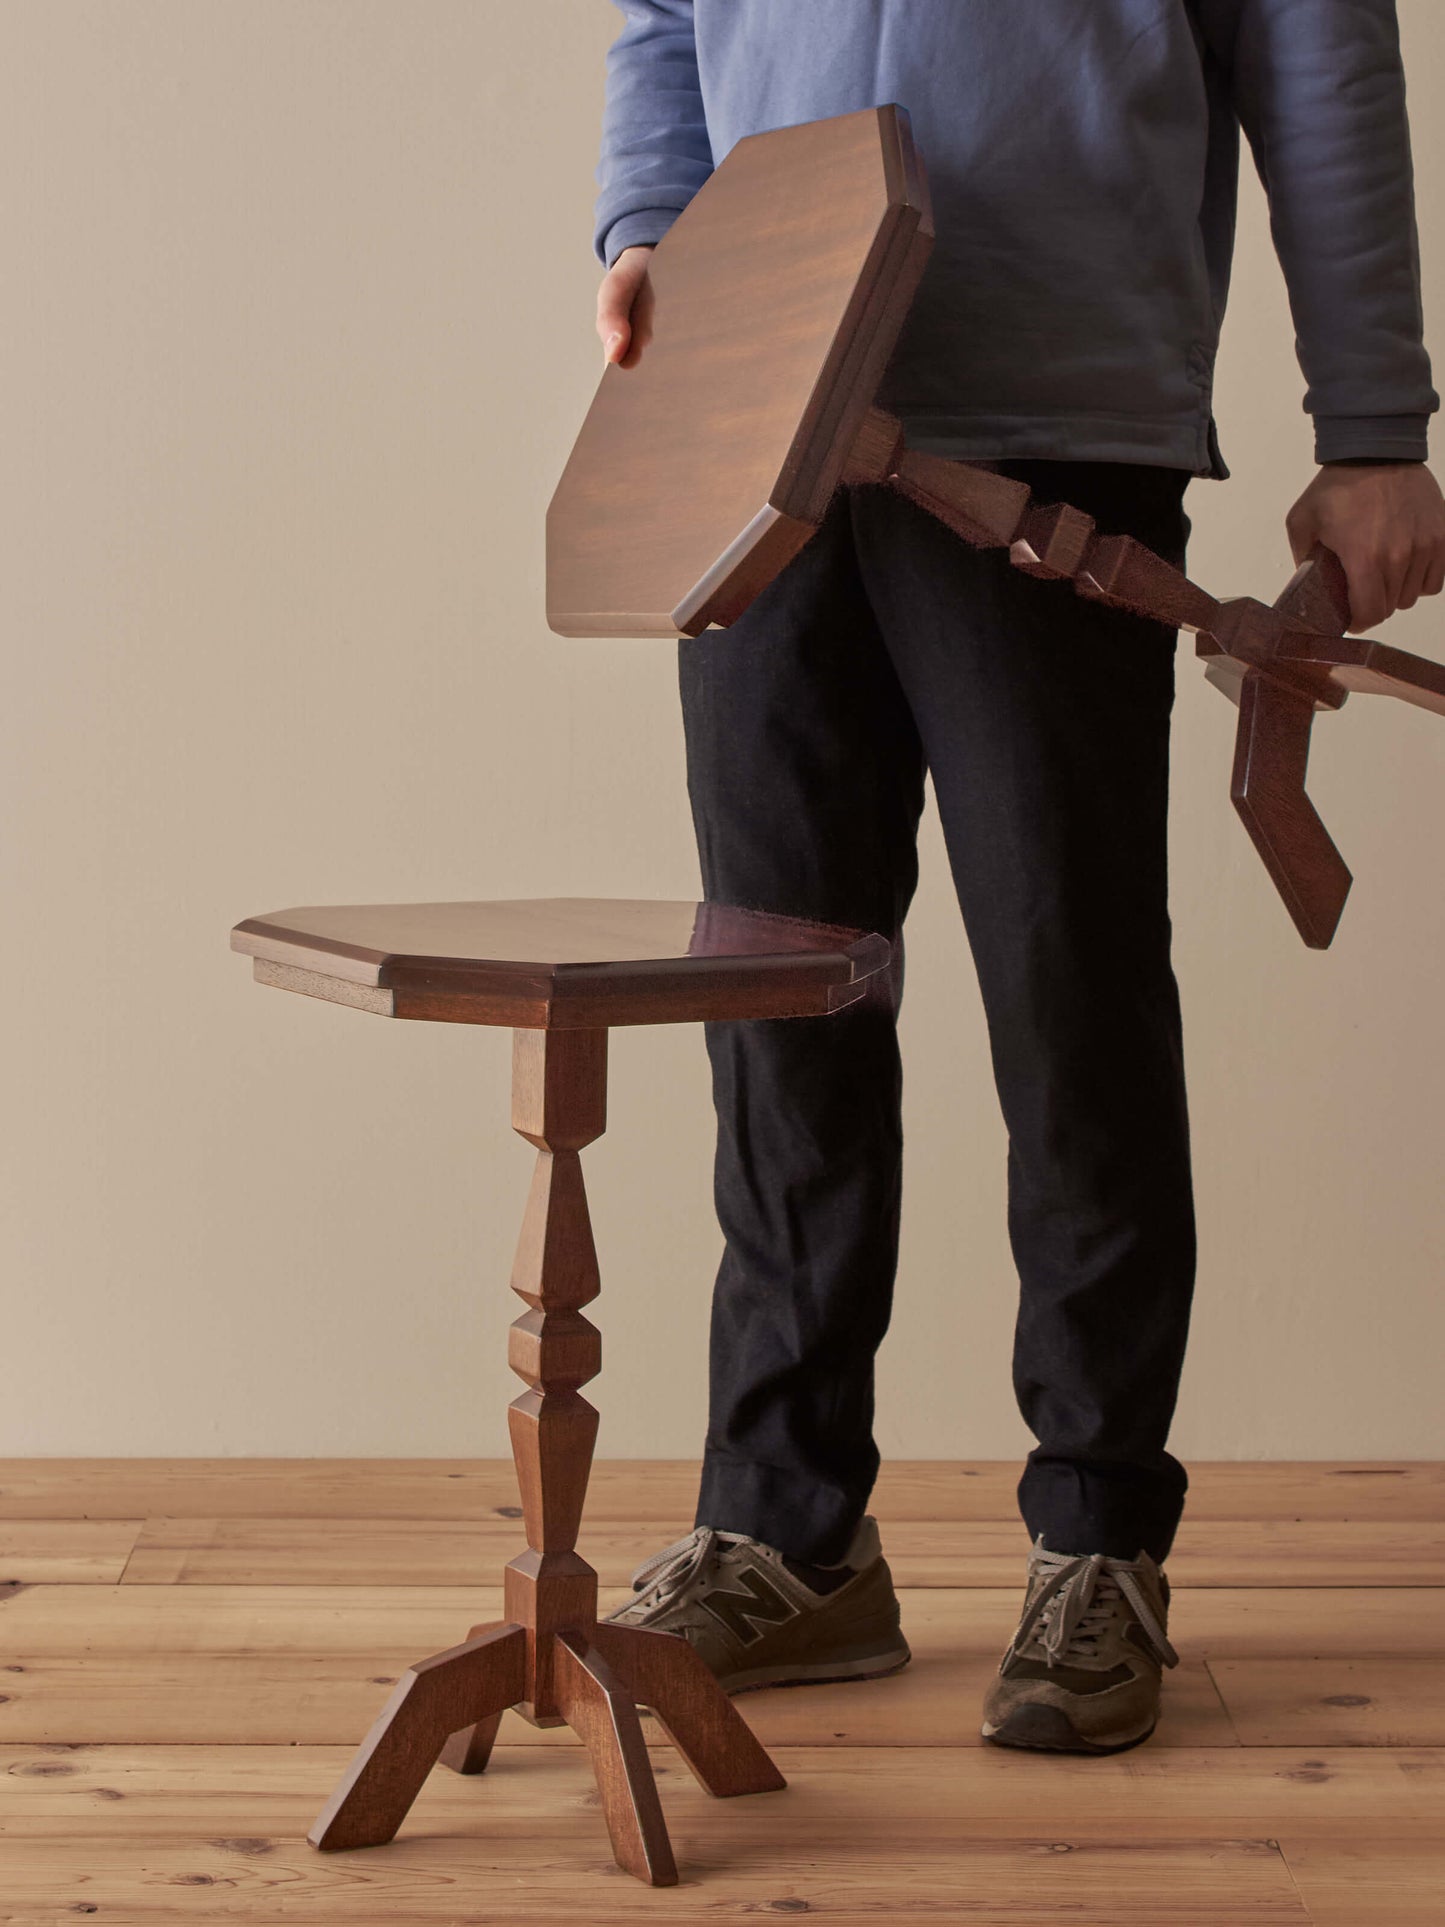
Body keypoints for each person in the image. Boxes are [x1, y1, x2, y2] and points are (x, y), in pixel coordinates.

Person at [588, 0, 1445, 1755]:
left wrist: (1371, 424)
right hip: (753, 414)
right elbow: (663, 17)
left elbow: (1318, 51)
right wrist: (645, 240)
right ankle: (784, 1529)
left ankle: (1098, 1537)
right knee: (777, 995)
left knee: (1069, 992)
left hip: (1051, 423)